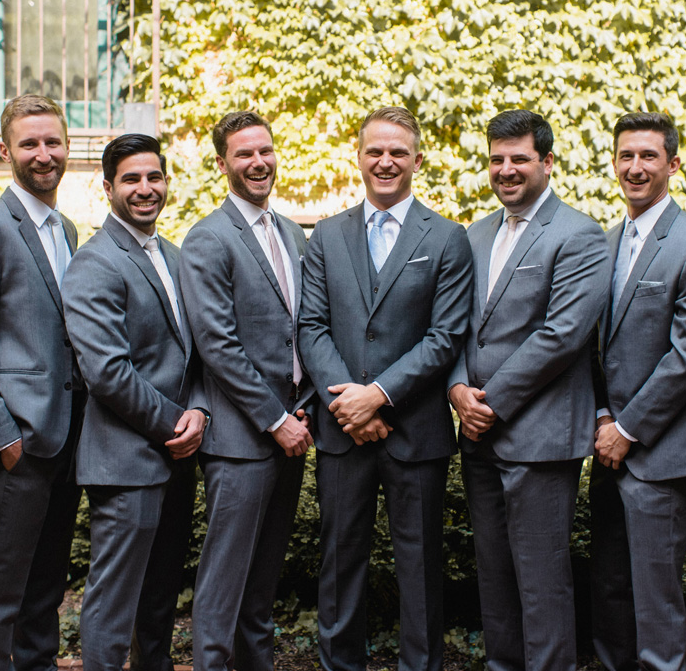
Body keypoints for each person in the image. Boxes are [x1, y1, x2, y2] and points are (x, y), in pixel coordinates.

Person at [298, 105, 474, 671]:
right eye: (375, 150)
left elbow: (446, 336)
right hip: (342, 430)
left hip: (415, 432)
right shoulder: (325, 235)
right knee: (339, 563)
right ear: (358, 158)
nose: (386, 161)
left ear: (417, 160)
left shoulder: (448, 238)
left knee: (420, 568)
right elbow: (311, 327)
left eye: (398, 151)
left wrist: (379, 395)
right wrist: (349, 404)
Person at [448, 109, 610, 671]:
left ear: (546, 162)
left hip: (539, 436)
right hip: (478, 434)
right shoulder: (475, 234)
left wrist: (489, 403)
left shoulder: (581, 235)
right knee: (493, 574)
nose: (506, 170)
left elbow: (562, 335)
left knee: (541, 580)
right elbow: (455, 327)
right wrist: (456, 390)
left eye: (519, 158)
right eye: (497, 159)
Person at [0, 94, 84, 671]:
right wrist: (2, 436)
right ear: (7, 152)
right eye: (29, 143)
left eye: (52, 141)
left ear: (67, 149)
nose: (43, 153)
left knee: (46, 585)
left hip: (70, 439)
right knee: (0, 587)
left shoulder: (69, 229)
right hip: (17, 445)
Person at [592, 111, 686, 671]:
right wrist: (604, 416)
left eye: (648, 156)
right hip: (607, 447)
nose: (635, 166)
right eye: (626, 155)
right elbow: (596, 347)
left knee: (656, 599)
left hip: (664, 452)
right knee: (610, 590)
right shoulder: (604, 243)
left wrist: (627, 429)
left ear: (673, 165)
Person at [62, 134, 205, 671]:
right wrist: (177, 423)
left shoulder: (172, 254)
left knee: (160, 600)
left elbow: (195, 354)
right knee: (114, 600)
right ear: (107, 188)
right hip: (126, 460)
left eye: (154, 177)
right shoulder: (95, 262)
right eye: (131, 179)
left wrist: (201, 412)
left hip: (176, 457)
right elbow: (107, 371)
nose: (145, 189)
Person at [181, 111, 315, 671]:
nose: (257, 162)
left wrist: (303, 413)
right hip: (242, 439)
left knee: (262, 582)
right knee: (225, 582)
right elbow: (218, 346)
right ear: (222, 164)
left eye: (264, 150)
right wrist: (274, 419)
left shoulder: (288, 230)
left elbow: (299, 330)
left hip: (292, 429)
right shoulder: (208, 238)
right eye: (243, 154)